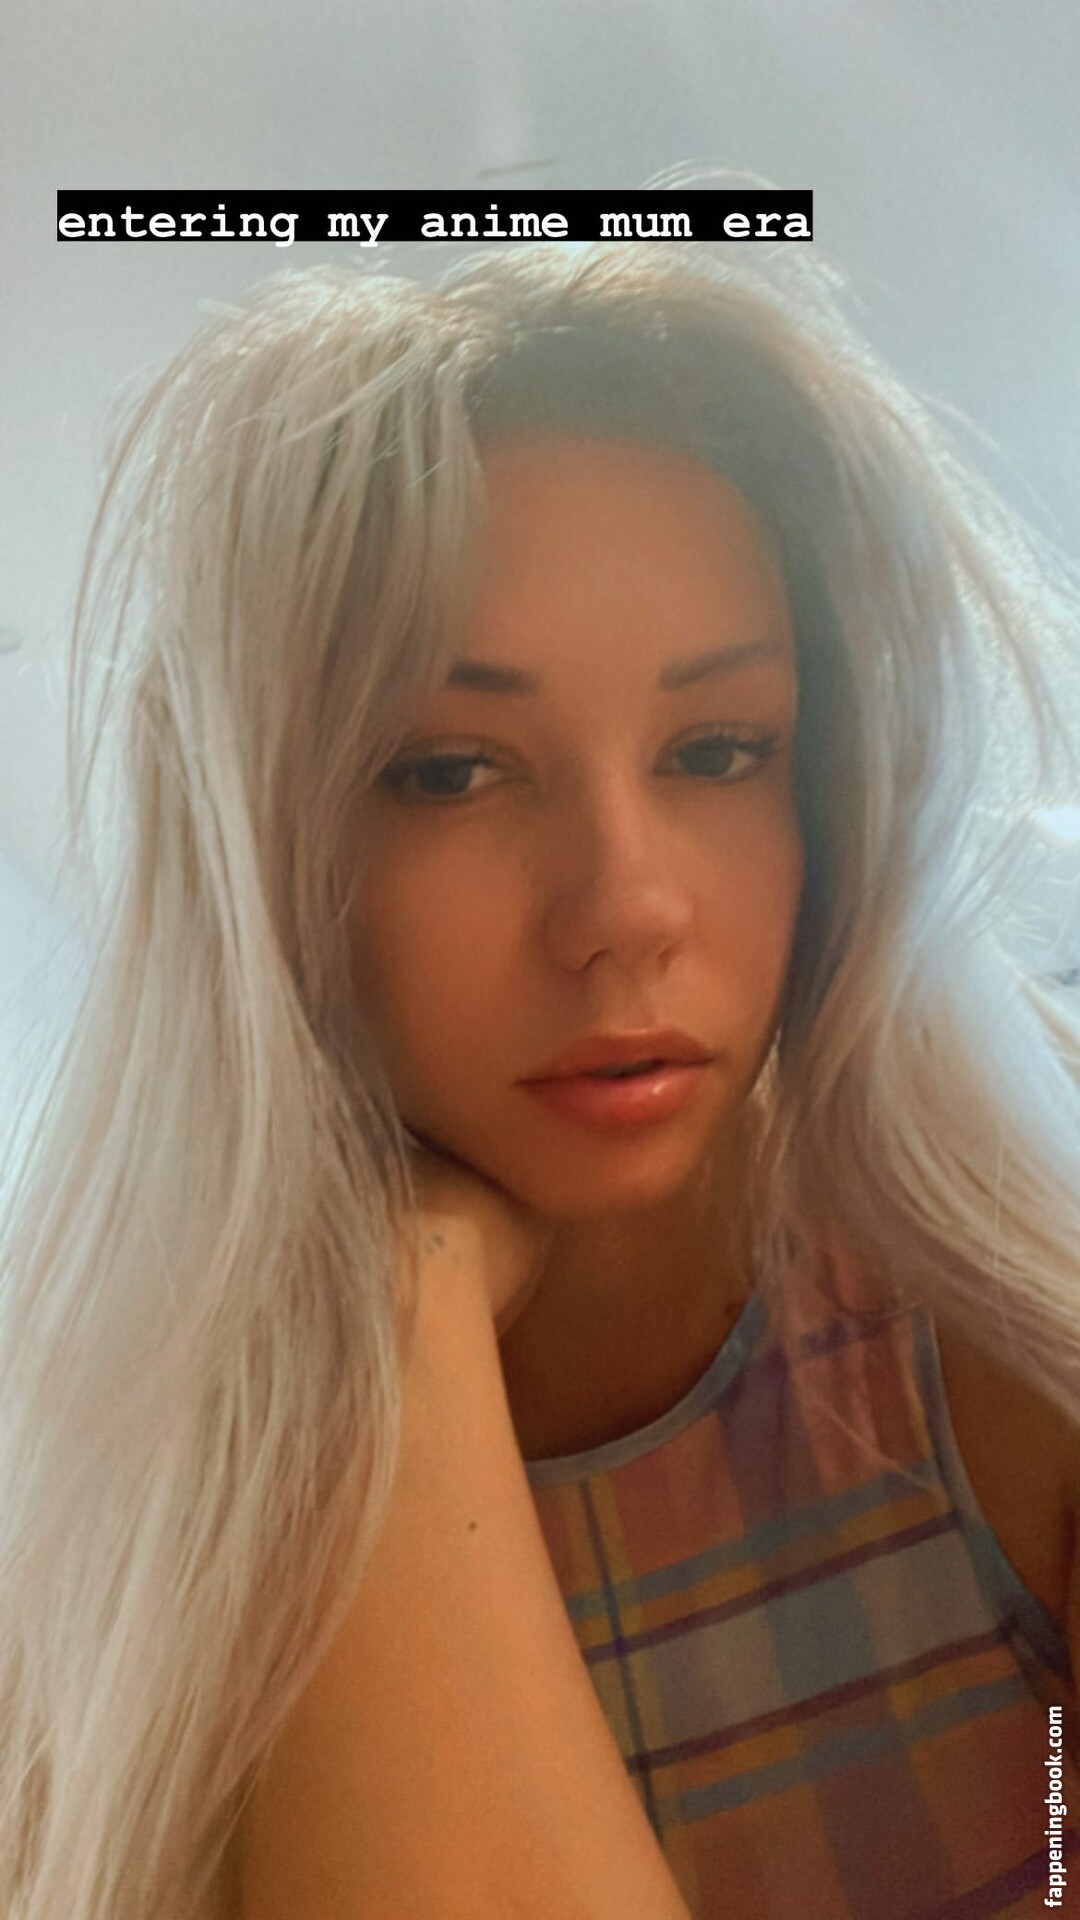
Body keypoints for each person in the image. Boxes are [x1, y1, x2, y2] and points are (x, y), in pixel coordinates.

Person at [0, 237, 1077, 1920]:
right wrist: (399, 1307)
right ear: (267, 853)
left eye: (719, 749)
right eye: (449, 771)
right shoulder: (121, 1532)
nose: (626, 908)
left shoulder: (1007, 1332)